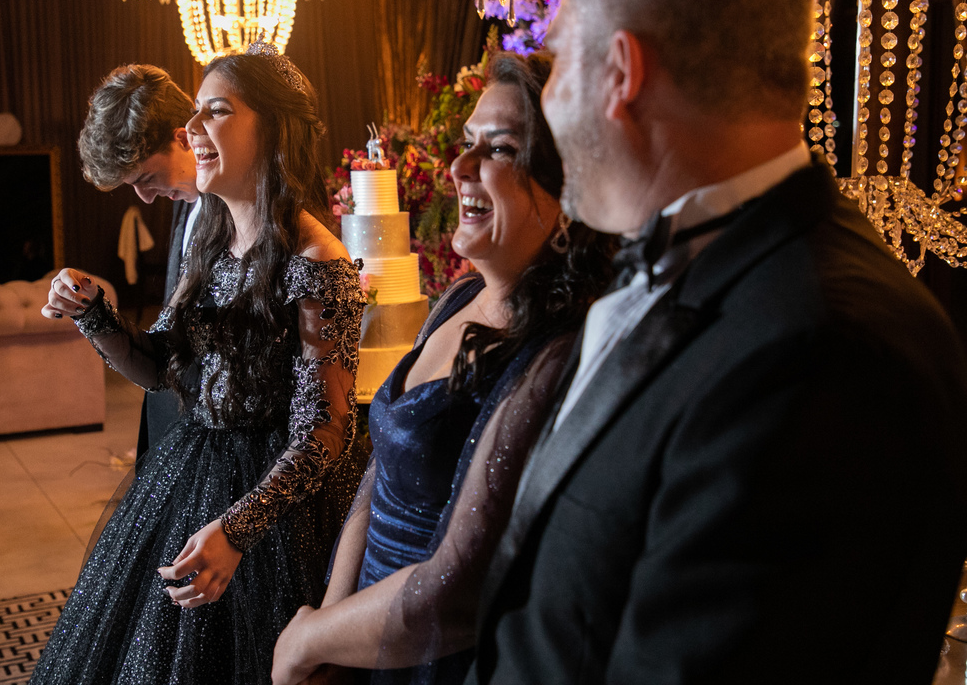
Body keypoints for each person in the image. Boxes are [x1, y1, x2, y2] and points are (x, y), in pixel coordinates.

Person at [469, 0, 967, 684]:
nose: (547, 103)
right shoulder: (693, 262)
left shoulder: (823, 353)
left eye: (557, 64)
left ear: (621, 73)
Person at [271, 52, 614, 685]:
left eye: (499, 149)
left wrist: (304, 643)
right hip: (363, 633)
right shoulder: (458, 296)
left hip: (437, 658)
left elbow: (456, 591)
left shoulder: (555, 352)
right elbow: (378, 471)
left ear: (569, 189)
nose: (458, 167)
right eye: (466, 142)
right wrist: (330, 626)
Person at [32, 41, 368, 684]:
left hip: (275, 512)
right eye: (196, 113)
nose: (192, 129)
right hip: (198, 471)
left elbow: (324, 433)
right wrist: (93, 312)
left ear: (273, 128)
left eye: (215, 111)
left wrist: (237, 529)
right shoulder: (212, 234)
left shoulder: (318, 263)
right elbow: (164, 366)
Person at [76, 64, 202, 467]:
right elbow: (171, 342)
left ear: (184, 138)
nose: (145, 198)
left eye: (146, 178)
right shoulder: (185, 201)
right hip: (171, 424)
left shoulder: (246, 210)